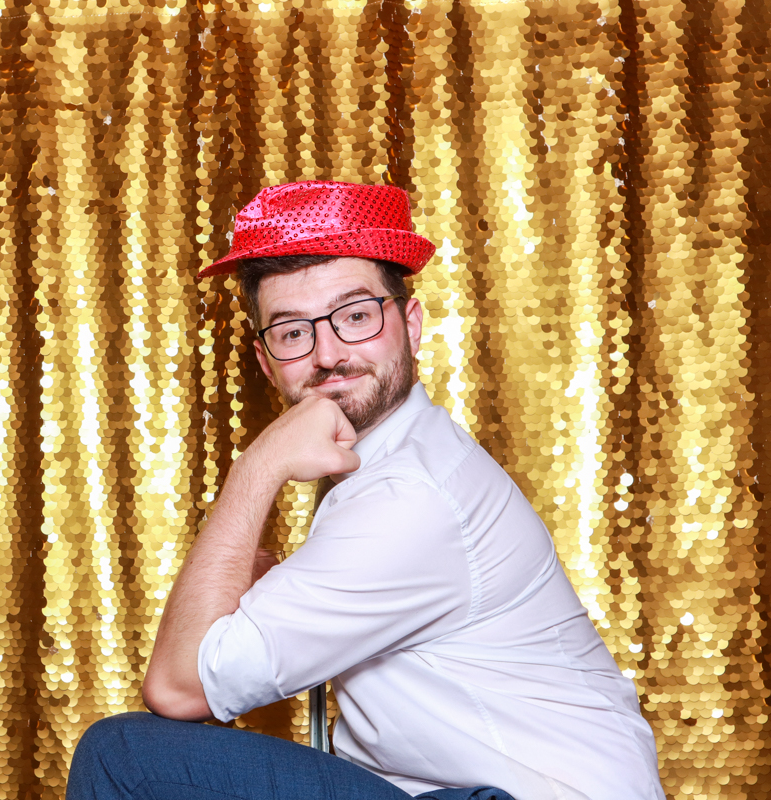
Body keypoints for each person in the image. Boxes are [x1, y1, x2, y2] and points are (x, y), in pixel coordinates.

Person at [66, 181, 665, 800]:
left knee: (121, 757)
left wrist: (255, 467)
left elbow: (176, 689)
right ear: (267, 360)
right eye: (293, 332)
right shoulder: (388, 467)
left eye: (355, 316)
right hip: (443, 792)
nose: (328, 354)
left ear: (409, 322)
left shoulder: (410, 497)